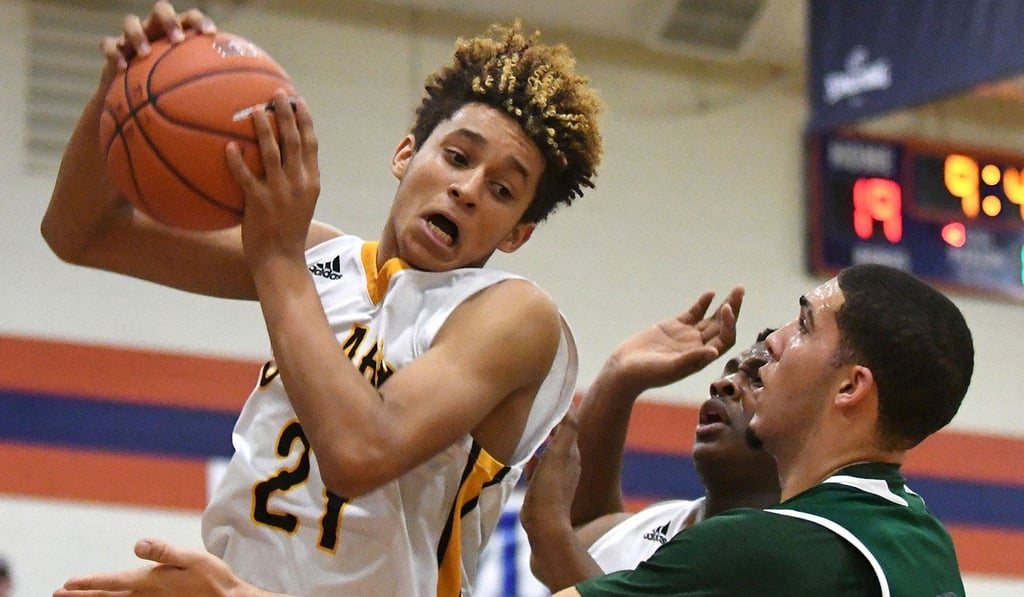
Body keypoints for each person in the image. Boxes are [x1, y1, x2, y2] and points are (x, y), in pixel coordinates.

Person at [40, 1, 650, 594]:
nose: (466, 189)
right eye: (457, 157)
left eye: (500, 189)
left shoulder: (512, 313)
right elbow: (80, 233)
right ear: (406, 154)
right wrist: (122, 93)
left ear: (518, 233)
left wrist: (276, 257)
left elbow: (360, 451)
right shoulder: (319, 259)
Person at [52, 291, 745, 597]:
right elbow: (595, 528)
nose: (728, 381)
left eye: (761, 366)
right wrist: (620, 382)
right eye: (736, 366)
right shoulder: (681, 521)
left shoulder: (771, 553)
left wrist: (551, 541)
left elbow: (570, 551)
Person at [528, 263, 973, 596]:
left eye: (802, 326)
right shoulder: (925, 541)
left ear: (850, 386)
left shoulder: (760, 548)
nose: (774, 341)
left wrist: (545, 524)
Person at [520, 321, 780, 591]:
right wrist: (619, 376)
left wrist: (549, 529)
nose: (722, 384)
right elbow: (574, 540)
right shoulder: (668, 517)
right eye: (731, 372)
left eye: (758, 380)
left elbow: (557, 542)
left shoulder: (792, 562)